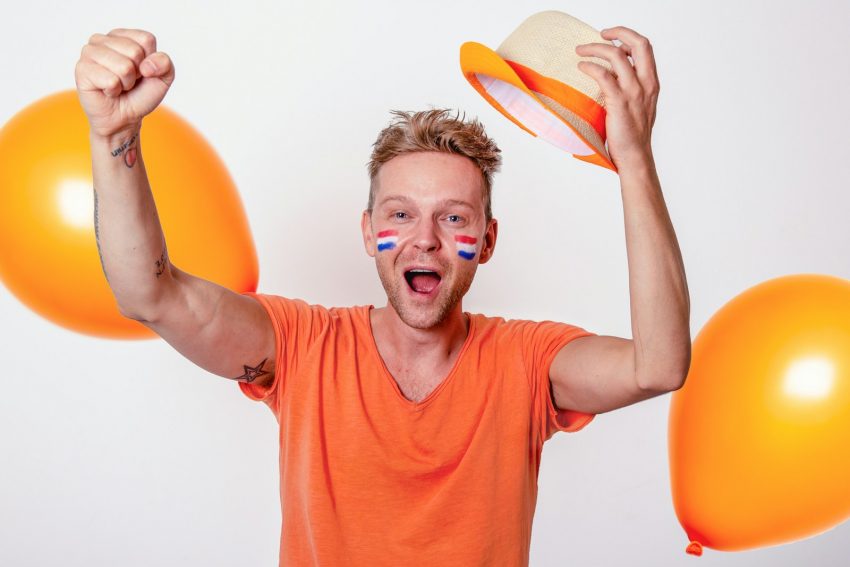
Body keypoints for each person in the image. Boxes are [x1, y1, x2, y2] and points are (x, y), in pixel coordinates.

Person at [75, 26, 690, 567]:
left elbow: (658, 366)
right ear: (369, 233)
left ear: (488, 238)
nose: (425, 240)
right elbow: (149, 295)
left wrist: (634, 160)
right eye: (401, 213)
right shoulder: (301, 348)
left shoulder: (527, 362)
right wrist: (115, 133)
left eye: (453, 219)